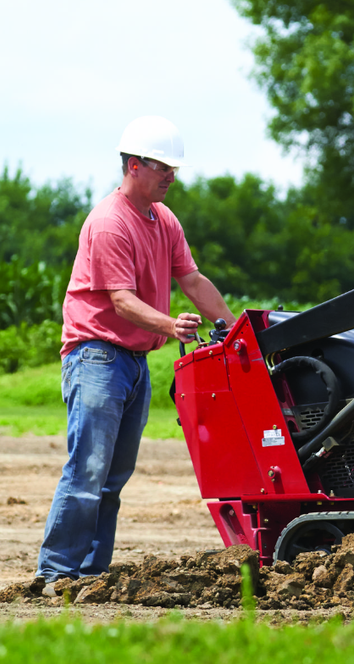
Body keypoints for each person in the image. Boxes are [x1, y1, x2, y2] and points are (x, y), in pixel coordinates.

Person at [37, 116, 236, 585]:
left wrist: (233, 329)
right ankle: (56, 573)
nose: (171, 176)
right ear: (133, 165)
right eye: (162, 166)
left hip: (133, 360)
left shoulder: (163, 219)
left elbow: (192, 280)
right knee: (88, 468)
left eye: (174, 168)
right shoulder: (110, 223)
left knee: (114, 475)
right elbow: (121, 300)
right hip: (97, 356)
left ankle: (90, 571)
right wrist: (172, 325)